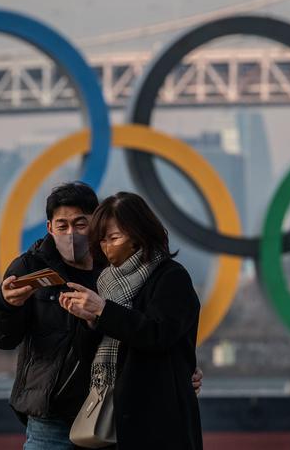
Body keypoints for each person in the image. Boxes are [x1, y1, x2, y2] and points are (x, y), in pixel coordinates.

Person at [0, 182, 203, 450]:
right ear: (50, 227)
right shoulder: (29, 266)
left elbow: (156, 330)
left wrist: (180, 368)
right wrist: (5, 305)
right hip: (50, 414)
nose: (71, 234)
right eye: (62, 226)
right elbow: (2, 338)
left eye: (80, 224)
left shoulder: (116, 270)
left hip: (110, 411)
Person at [59, 192, 203, 450]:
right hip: (106, 422)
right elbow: (85, 355)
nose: (106, 247)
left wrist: (103, 311)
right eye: (102, 240)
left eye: (114, 238)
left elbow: (158, 334)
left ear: (140, 235)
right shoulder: (104, 282)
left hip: (158, 423)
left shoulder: (171, 277)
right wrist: (89, 322)